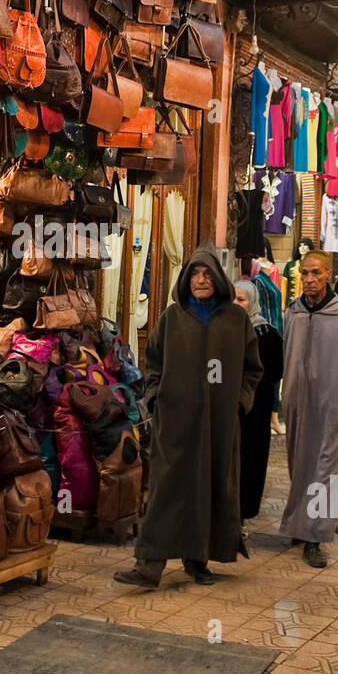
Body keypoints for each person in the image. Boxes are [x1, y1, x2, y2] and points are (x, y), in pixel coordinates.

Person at [114, 247, 262, 588]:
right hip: (175, 424)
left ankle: (198, 560)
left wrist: (238, 403)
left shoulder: (235, 321)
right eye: (195, 274)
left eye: (208, 274)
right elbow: (153, 363)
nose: (201, 280)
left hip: (220, 426)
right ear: (186, 279)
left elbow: (252, 370)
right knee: (168, 489)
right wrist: (154, 397)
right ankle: (149, 566)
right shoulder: (171, 319)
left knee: (210, 487)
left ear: (218, 280)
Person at [278, 249, 338, 568]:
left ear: (329, 274)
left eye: (316, 273)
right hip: (297, 404)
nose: (309, 279)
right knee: (300, 464)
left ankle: (317, 536)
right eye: (304, 273)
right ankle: (302, 525)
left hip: (332, 405)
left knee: (327, 468)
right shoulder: (292, 312)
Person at [233, 280, 284, 520]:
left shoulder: (266, 333)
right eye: (232, 298)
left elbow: (276, 370)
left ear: (253, 303)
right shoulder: (222, 330)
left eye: (241, 300)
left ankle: (247, 507)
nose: (235, 304)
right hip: (230, 408)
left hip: (256, 409)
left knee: (251, 456)